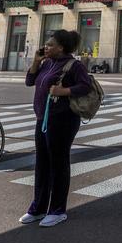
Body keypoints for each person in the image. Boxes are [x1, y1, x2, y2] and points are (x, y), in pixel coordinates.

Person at [20, 30, 92, 226]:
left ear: (61, 47)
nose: (46, 47)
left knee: (58, 164)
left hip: (63, 120)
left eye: (50, 44)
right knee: (42, 163)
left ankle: (58, 209)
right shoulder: (47, 63)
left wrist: (64, 91)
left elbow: (86, 86)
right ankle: (38, 208)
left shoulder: (74, 65)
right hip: (42, 119)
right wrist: (36, 61)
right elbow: (29, 81)